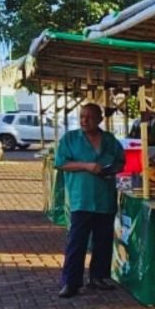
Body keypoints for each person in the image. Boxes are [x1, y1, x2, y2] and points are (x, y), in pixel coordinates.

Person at [54, 103, 125, 298]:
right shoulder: (70, 139)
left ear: (100, 119)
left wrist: (111, 169)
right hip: (81, 198)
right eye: (82, 116)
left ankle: (99, 277)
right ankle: (71, 282)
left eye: (90, 117)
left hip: (104, 198)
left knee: (103, 241)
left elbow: (121, 161)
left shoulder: (109, 140)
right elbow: (61, 163)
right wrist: (85, 166)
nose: (85, 121)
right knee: (77, 242)